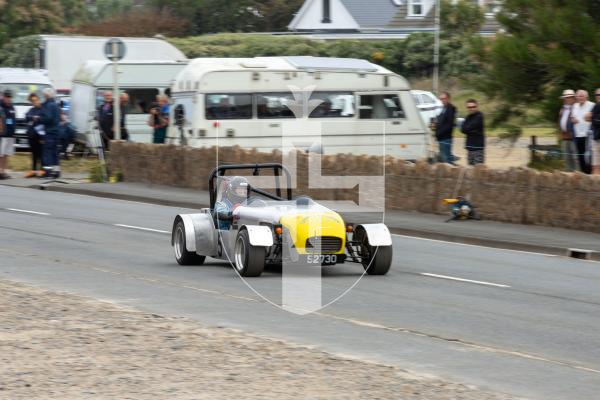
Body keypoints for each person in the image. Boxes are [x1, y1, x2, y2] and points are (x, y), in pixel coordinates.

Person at [571, 89, 594, 174]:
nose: (580, 98)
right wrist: (572, 119)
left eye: (582, 96)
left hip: (588, 135)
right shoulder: (574, 106)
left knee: (588, 156)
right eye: (578, 96)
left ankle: (589, 173)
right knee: (580, 155)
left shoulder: (592, 105)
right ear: (576, 97)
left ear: (586, 97)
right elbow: (572, 117)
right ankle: (583, 173)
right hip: (578, 135)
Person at [40, 87, 61, 178]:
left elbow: (48, 118)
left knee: (47, 152)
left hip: (49, 132)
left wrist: (40, 119)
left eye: (44, 94)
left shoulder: (48, 105)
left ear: (47, 95)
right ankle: (56, 172)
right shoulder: (56, 105)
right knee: (55, 152)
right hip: (56, 131)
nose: (43, 96)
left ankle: (47, 173)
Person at [432, 91, 456, 165]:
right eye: (441, 99)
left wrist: (438, 133)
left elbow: (449, 125)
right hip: (441, 138)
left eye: (444, 98)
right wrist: (435, 124)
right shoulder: (443, 109)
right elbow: (441, 122)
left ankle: (451, 175)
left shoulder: (451, 109)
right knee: (444, 160)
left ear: (449, 99)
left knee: (447, 161)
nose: (442, 100)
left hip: (446, 138)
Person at [24, 93, 45, 177]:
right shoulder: (32, 109)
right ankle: (33, 170)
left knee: (41, 154)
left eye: (35, 100)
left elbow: (43, 120)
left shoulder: (43, 109)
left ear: (38, 99)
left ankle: (42, 170)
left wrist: (37, 118)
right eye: (32, 101)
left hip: (40, 136)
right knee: (34, 154)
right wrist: (32, 117)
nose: (34, 102)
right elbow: (26, 116)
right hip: (32, 136)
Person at [460, 99, 485, 166]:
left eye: (473, 107)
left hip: (478, 149)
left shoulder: (479, 116)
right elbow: (462, 129)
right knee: (470, 170)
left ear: (477, 106)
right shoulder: (467, 117)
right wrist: (470, 130)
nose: (471, 109)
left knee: (478, 170)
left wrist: (467, 129)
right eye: (469, 107)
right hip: (469, 148)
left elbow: (469, 127)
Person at [558, 89, 577, 171]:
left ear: (573, 98)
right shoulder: (563, 109)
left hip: (574, 138)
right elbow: (561, 121)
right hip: (564, 138)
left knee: (576, 158)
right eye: (565, 98)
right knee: (566, 159)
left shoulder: (576, 108)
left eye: (568, 97)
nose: (566, 99)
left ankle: (578, 178)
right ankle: (569, 177)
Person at [0, 90, 15, 179]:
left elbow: (13, 119)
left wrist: (13, 132)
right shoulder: (1, 107)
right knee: (1, 154)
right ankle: (0, 171)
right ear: (4, 97)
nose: (9, 99)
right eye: (7, 97)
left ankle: (4, 171)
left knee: (6, 154)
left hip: (10, 134)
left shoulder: (12, 107)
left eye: (10, 97)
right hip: (2, 134)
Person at [590, 88, 600, 175]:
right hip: (596, 138)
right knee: (595, 165)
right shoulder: (595, 106)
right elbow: (591, 119)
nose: (598, 97)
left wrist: (594, 119)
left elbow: (594, 119)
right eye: (597, 95)